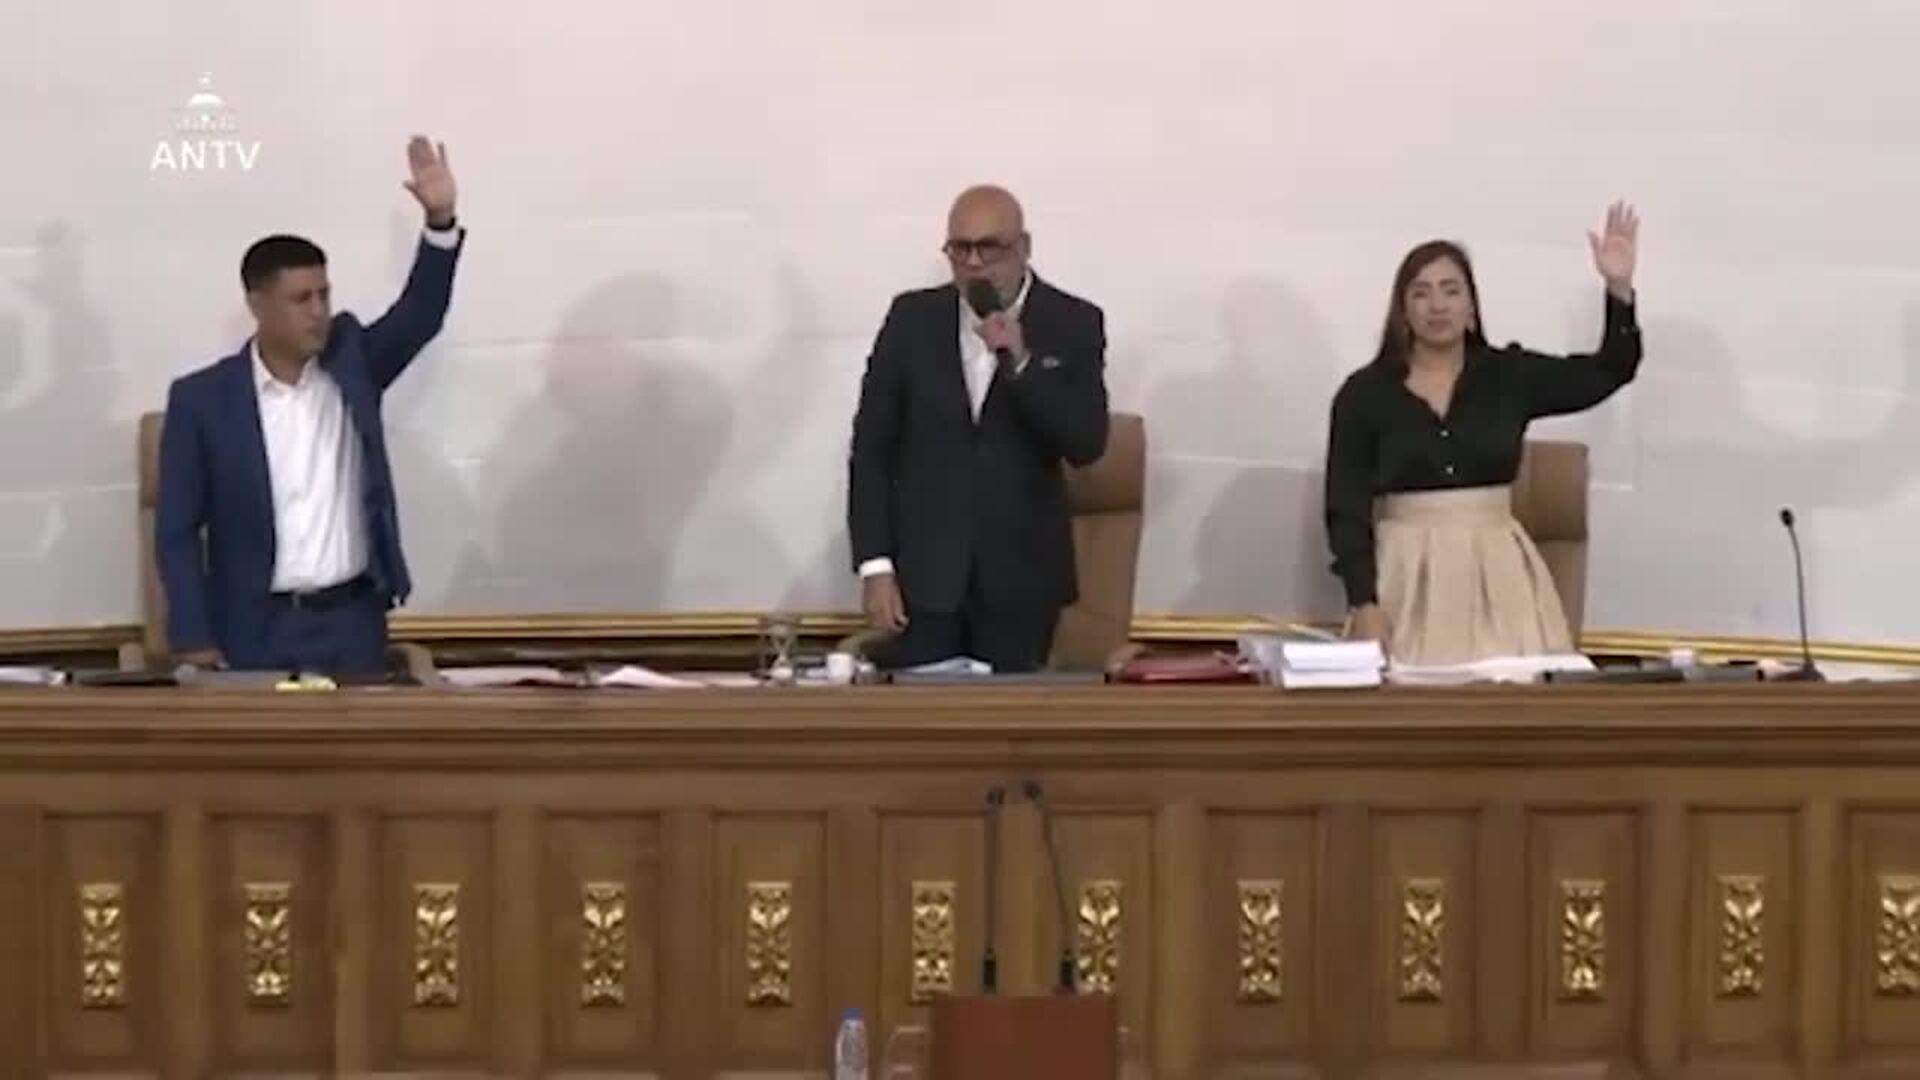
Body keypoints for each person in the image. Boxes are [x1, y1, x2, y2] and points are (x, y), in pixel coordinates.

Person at [154, 136, 464, 675]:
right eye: (301, 299)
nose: (319, 312)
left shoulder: (353, 363)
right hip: (254, 629)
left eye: (324, 294)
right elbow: (176, 532)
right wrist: (193, 637)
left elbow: (420, 314)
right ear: (257, 304)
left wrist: (440, 222)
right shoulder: (202, 400)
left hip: (352, 622)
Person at [1322, 202, 1643, 665]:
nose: (1437, 306)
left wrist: (1618, 288)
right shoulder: (1364, 394)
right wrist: (1363, 604)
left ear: (1471, 306)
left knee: (1509, 694)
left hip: (1499, 576)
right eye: (1421, 293)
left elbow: (1609, 370)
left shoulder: (1509, 376)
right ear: (1402, 310)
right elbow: (1345, 511)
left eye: (1451, 291)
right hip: (1405, 579)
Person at [847, 185, 1110, 673]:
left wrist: (1023, 364)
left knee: (1006, 720)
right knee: (921, 717)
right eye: (959, 248)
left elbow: (1086, 442)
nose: (973, 263)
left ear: (1023, 247)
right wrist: (875, 565)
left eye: (989, 247)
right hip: (924, 581)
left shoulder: (1073, 322)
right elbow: (872, 449)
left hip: (1021, 583)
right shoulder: (912, 320)